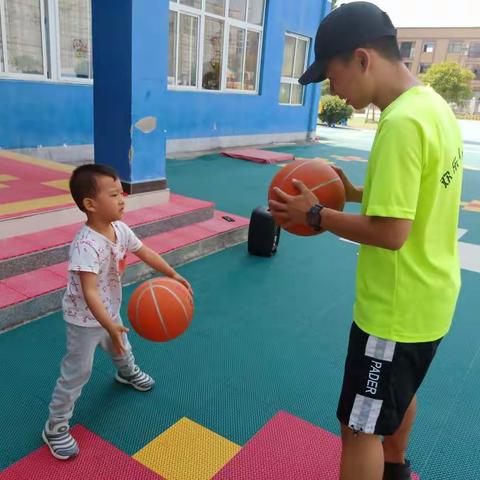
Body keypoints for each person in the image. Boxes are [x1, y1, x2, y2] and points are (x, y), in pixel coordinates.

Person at [269, 3, 463, 479]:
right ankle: (394, 470)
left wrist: (316, 214)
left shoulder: (399, 124)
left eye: (332, 76)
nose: (332, 89)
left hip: (393, 312)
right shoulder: (432, 106)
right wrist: (355, 194)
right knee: (397, 399)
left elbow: (392, 234)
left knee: (359, 428)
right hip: (431, 300)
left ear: (361, 58)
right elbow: (419, 199)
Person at [42, 164, 192, 460]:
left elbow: (145, 252)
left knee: (121, 345)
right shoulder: (85, 245)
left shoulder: (120, 229)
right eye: (114, 194)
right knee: (78, 371)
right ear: (90, 204)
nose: (123, 198)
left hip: (109, 309)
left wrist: (172, 274)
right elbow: (89, 292)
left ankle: (126, 373)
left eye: (121, 192)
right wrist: (109, 325)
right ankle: (55, 426)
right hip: (84, 319)